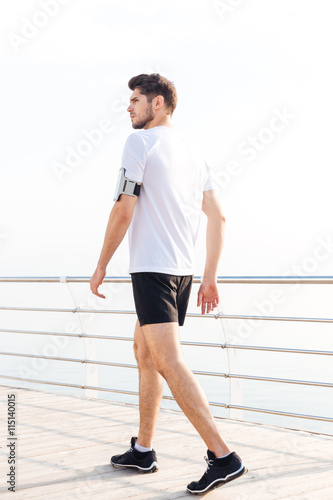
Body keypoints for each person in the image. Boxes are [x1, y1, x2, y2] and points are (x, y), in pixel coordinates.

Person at [90, 73, 247, 494]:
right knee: (144, 352)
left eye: (136, 100)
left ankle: (224, 456)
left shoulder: (139, 143)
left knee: (169, 361)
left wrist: (101, 264)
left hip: (152, 269)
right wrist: (209, 276)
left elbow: (124, 208)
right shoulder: (194, 152)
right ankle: (143, 450)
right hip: (181, 271)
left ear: (157, 103)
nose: (129, 107)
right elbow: (218, 216)